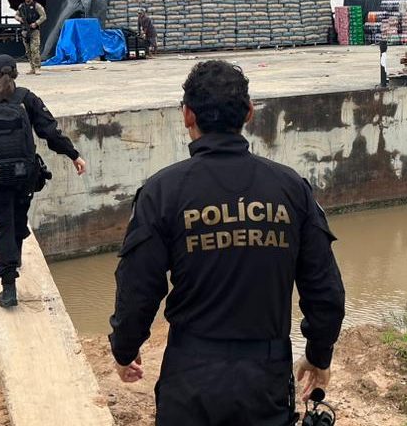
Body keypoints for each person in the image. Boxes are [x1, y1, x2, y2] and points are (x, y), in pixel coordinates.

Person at [108, 61, 346, 425]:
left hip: (190, 382)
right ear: (249, 113)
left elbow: (138, 288)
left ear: (187, 115)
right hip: (264, 382)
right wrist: (319, 354)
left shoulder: (162, 193)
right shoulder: (291, 189)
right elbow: (325, 290)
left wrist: (125, 349)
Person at [0, 54, 88, 307]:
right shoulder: (27, 99)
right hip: (25, 174)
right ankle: (14, 258)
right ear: (16, 74)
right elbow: (50, 132)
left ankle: (8, 288)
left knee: (3, 223)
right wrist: (74, 155)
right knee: (18, 217)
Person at [15, 0, 46, 74]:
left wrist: (36, 23)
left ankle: (37, 67)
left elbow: (43, 16)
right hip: (25, 30)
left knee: (35, 49)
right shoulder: (21, 6)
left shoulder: (37, 6)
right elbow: (16, 15)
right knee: (28, 50)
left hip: (34, 30)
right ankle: (32, 67)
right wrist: (20, 19)